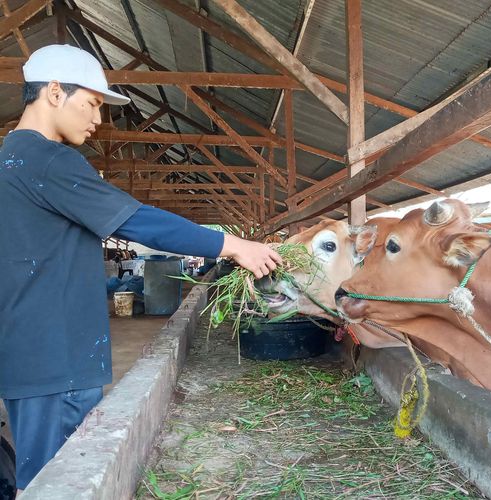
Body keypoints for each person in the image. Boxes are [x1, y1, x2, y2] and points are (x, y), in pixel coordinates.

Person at [0, 44, 282, 495]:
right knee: (58, 481)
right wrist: (231, 244)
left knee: (45, 476)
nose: (97, 119)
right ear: (54, 93)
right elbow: (136, 220)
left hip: (33, 353)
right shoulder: (47, 159)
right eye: (91, 103)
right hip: (56, 355)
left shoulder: (12, 160)